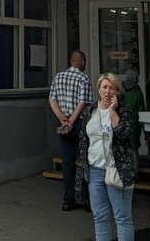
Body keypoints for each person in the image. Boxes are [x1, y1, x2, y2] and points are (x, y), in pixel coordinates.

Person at [75, 73, 136, 241]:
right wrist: (81, 170)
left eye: (112, 88)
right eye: (104, 87)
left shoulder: (123, 110)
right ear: (99, 89)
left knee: (122, 218)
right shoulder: (90, 110)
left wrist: (112, 111)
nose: (108, 91)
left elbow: (124, 134)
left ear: (117, 91)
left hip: (117, 170)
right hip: (95, 170)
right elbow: (83, 140)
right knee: (100, 217)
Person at [49, 49, 92, 211]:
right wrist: (73, 120)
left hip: (64, 125)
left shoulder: (58, 77)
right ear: (83, 62)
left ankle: (68, 199)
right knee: (85, 161)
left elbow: (52, 99)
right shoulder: (83, 78)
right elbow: (83, 102)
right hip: (79, 124)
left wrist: (62, 118)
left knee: (67, 163)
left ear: (70, 61)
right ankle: (85, 199)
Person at [120, 68, 146, 153]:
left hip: (120, 123)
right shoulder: (137, 92)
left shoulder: (120, 89)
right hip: (133, 125)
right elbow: (142, 111)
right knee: (133, 149)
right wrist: (146, 135)